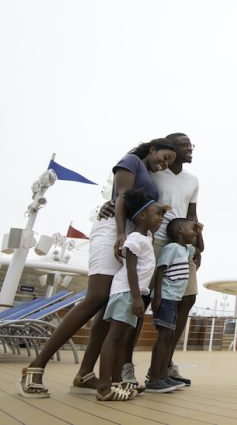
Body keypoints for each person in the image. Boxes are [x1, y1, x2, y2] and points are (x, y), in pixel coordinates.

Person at [18, 138, 176, 399]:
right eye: (165, 156)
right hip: (114, 231)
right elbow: (122, 196)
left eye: (170, 162)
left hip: (130, 235)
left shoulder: (149, 177)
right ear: (152, 148)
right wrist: (120, 233)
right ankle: (36, 366)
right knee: (97, 296)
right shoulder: (131, 161)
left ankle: (85, 373)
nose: (165, 163)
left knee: (107, 308)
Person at [118, 132, 203, 387]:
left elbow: (192, 213)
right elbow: (128, 195)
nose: (190, 148)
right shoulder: (154, 172)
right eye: (184, 145)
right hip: (153, 240)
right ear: (169, 147)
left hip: (181, 245)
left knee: (187, 300)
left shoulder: (193, 180)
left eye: (191, 145)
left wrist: (196, 246)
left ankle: (164, 364)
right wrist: (110, 204)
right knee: (142, 301)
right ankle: (125, 366)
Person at [96, 189, 167, 401]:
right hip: (126, 293)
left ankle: (117, 381)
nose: (161, 218)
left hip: (131, 293)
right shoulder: (135, 239)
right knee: (114, 337)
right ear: (142, 215)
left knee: (123, 338)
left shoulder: (146, 237)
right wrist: (137, 298)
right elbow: (130, 268)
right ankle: (104, 387)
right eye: (157, 214)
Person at [147, 217, 202, 392]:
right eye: (191, 229)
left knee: (169, 337)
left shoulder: (186, 250)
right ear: (179, 231)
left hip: (174, 299)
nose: (194, 233)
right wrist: (157, 296)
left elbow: (200, 248)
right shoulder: (171, 248)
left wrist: (199, 232)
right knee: (163, 337)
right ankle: (153, 379)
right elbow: (160, 270)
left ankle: (162, 375)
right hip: (165, 298)